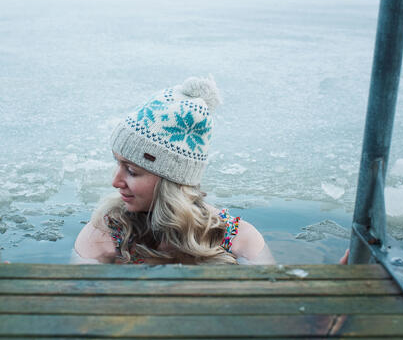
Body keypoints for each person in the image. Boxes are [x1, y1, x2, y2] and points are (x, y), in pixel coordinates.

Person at [72, 76, 276, 265]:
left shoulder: (240, 240)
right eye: (118, 163)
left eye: (132, 171)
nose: (115, 181)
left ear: (172, 180)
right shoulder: (104, 236)